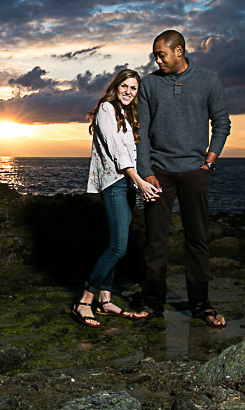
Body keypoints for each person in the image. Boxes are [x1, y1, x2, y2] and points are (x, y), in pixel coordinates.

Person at [136, 30, 231, 327]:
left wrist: (209, 162)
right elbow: (142, 133)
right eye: (154, 55)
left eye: (161, 54)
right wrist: (146, 171)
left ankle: (201, 305)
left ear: (179, 51)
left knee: (198, 240)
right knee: (155, 241)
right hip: (159, 173)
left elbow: (222, 123)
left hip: (195, 172)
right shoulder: (149, 84)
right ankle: (153, 304)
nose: (157, 60)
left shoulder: (208, 80)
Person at [72, 68, 162, 328]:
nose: (129, 91)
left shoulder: (127, 114)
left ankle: (105, 299)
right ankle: (84, 301)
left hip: (127, 185)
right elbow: (118, 152)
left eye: (134, 88)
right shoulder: (106, 110)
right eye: (125, 86)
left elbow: (132, 152)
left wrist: (140, 181)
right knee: (118, 247)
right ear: (116, 86)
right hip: (115, 183)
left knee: (115, 243)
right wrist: (140, 183)